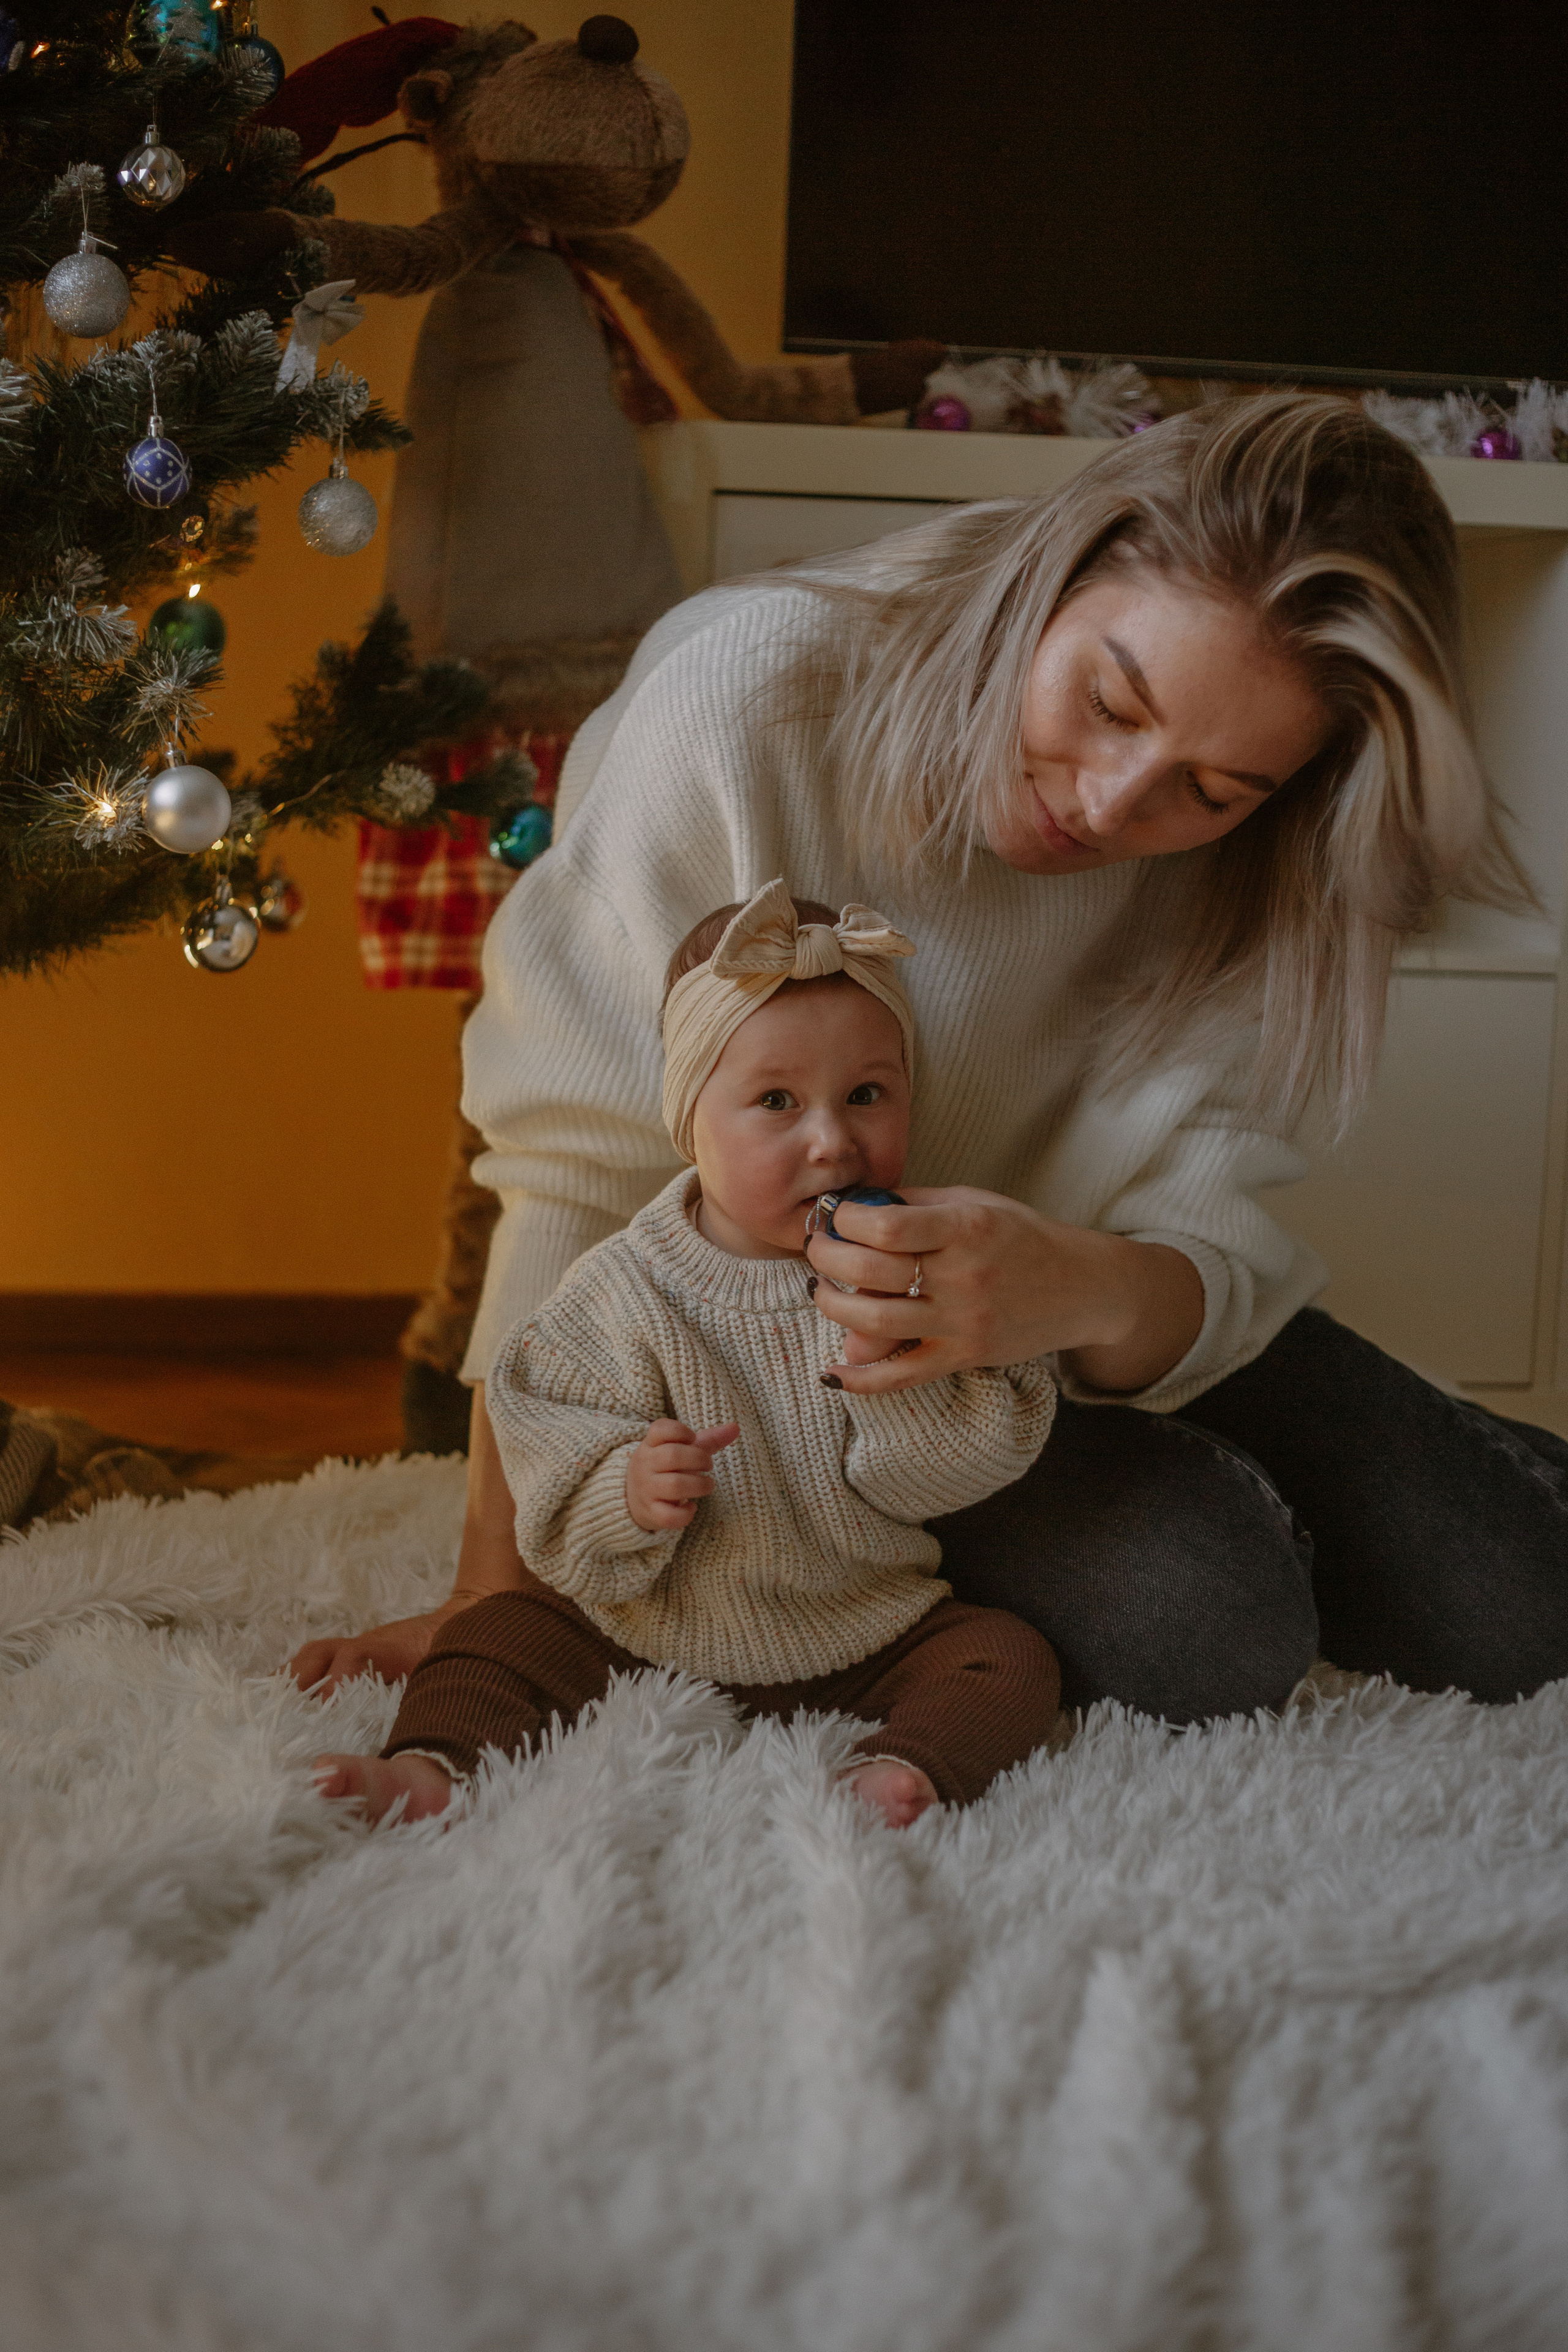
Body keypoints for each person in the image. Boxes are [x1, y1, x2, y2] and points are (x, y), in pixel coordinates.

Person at [293, 392, 1568, 1725]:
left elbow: (1204, 1238)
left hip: (1103, 1303)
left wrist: (1076, 1288)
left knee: (1526, 1609)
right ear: (1055, 573)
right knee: (1205, 1619)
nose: (1108, 803)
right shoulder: (747, 702)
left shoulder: (1268, 861)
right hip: (822, 1387)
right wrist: (493, 1594)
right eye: (1106, 702)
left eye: (1209, 790)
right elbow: (577, 1157)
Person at [315, 884, 1060, 1826]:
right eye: (777, 1102)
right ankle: (432, 1766)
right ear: (689, 1120)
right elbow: (546, 1457)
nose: (833, 1142)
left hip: (863, 1619)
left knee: (1010, 1656)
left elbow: (955, 1475)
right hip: (642, 1626)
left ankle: (900, 1771)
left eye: (867, 1095)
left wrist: (893, 1364)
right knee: (496, 1631)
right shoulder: (620, 1291)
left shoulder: (925, 1269)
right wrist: (626, 1489)